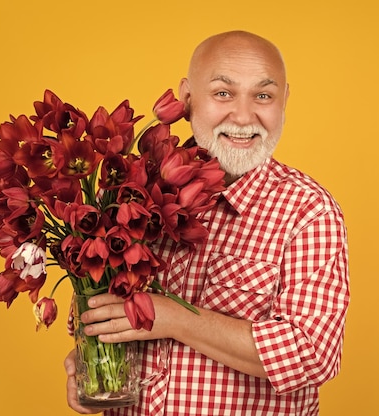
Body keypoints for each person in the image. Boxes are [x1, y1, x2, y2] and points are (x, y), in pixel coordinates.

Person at [65, 30, 350, 416]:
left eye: (263, 95)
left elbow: (310, 354)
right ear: (186, 99)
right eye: (223, 93)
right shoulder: (130, 192)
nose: (244, 116)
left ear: (285, 101)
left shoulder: (307, 210)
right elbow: (97, 310)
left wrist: (176, 318)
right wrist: (91, 361)